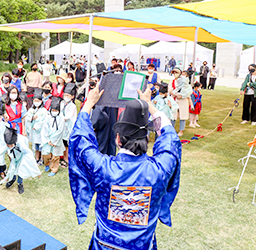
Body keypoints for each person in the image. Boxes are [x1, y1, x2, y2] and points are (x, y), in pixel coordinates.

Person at [69, 86, 181, 250]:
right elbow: (170, 136)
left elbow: (81, 139)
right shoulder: (160, 170)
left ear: (118, 139)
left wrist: (88, 105)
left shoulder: (104, 169)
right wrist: (148, 104)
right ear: (147, 138)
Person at [0, 126, 42, 194]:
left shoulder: (21, 143)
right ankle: (12, 179)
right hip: (14, 157)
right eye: (7, 145)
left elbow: (29, 155)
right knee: (12, 168)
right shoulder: (7, 140)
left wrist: (37, 171)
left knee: (20, 169)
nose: (8, 146)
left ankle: (20, 183)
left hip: (22, 156)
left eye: (10, 145)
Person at [40, 97, 66, 177]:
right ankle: (47, 164)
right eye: (53, 111)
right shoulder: (48, 118)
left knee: (55, 156)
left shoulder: (61, 119)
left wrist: (54, 141)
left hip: (56, 140)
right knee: (46, 154)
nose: (54, 112)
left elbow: (60, 131)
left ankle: (54, 169)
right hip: (48, 140)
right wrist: (48, 140)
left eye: (56, 111)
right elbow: (45, 129)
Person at [24, 88, 48, 164]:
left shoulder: (44, 110)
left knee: (41, 145)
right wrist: (32, 118)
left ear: (41, 101)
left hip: (40, 130)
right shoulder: (31, 109)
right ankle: (36, 158)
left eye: (38, 101)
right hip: (34, 131)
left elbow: (44, 120)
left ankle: (41, 158)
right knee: (36, 145)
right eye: (35, 101)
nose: (36, 102)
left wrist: (37, 125)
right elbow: (27, 117)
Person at [170, 68, 192, 136]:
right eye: (174, 73)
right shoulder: (172, 81)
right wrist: (175, 94)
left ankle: (181, 130)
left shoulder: (186, 83)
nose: (175, 74)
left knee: (183, 115)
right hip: (174, 99)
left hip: (183, 100)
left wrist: (182, 96)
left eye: (176, 72)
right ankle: (172, 130)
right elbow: (170, 91)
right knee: (173, 115)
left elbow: (189, 92)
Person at [60, 83, 77, 168]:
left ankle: (67, 160)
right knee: (63, 143)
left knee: (67, 145)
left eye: (68, 95)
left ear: (72, 96)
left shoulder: (72, 106)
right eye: (65, 95)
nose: (66, 97)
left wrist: (62, 117)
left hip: (69, 127)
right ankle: (63, 158)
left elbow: (69, 117)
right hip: (63, 127)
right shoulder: (62, 103)